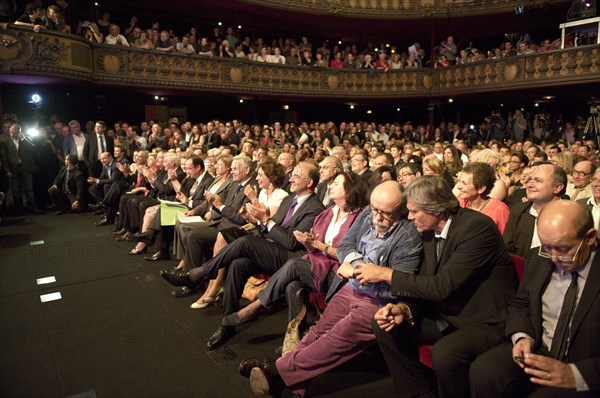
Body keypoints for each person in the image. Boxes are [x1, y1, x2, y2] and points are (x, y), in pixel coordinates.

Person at [242, 180, 422, 397]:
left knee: (335, 338)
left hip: (378, 301)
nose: (377, 217)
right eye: (375, 209)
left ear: (400, 211)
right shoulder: (367, 213)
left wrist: (365, 271)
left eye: (386, 213)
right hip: (352, 287)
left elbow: (400, 285)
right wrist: (358, 266)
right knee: (320, 330)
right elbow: (346, 245)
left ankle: (275, 369)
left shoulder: (408, 236)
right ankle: (290, 383)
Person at [372, 176, 517, 398]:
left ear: (436, 209)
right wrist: (404, 309)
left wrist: (386, 274)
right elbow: (424, 279)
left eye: (414, 211)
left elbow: (441, 287)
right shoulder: (429, 229)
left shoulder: (477, 229)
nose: (409, 217)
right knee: (385, 323)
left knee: (446, 353)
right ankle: (419, 393)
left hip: (484, 320)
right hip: (447, 313)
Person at [161, 161, 324, 349]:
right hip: (271, 249)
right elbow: (269, 229)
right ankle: (226, 323)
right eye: (292, 174)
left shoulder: (315, 208)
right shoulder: (290, 200)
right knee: (239, 263)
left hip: (288, 258)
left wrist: (266, 220)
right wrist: (259, 220)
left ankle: (199, 273)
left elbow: (291, 242)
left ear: (309, 182)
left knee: (245, 242)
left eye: (296, 175)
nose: (291, 178)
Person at [470, 200, 599, 397]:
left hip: (584, 364)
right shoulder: (540, 258)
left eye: (563, 248)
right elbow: (520, 303)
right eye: (547, 247)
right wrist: (521, 336)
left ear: (590, 237)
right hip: (540, 349)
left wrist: (579, 374)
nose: (554, 257)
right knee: (485, 371)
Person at [224, 171, 367, 326]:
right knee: (292, 286)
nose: (330, 186)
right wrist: (308, 242)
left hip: (337, 272)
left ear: (350, 189)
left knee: (290, 262)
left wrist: (318, 245)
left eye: (336, 183)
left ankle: (255, 306)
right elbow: (312, 249)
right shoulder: (328, 213)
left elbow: (348, 255)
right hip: (315, 262)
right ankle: (293, 337)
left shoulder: (359, 218)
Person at [504, 162, 567, 259]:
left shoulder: (571, 215)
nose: (529, 185)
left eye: (537, 180)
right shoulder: (518, 211)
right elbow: (507, 251)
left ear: (557, 188)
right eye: (529, 180)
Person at [455, 162, 510, 234]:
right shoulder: (459, 204)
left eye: (464, 183)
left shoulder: (500, 210)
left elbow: (505, 241)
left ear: (481, 188)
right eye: (459, 181)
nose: (458, 187)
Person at [0, 123, 40, 213]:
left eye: (13, 132)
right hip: (13, 168)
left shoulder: (26, 139)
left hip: (26, 168)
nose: (11, 134)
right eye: (10, 132)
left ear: (19, 132)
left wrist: (23, 139)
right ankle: (19, 208)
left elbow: (33, 150)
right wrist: (7, 170)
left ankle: (32, 207)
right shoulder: (6, 141)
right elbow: (4, 157)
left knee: (29, 189)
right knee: (16, 190)